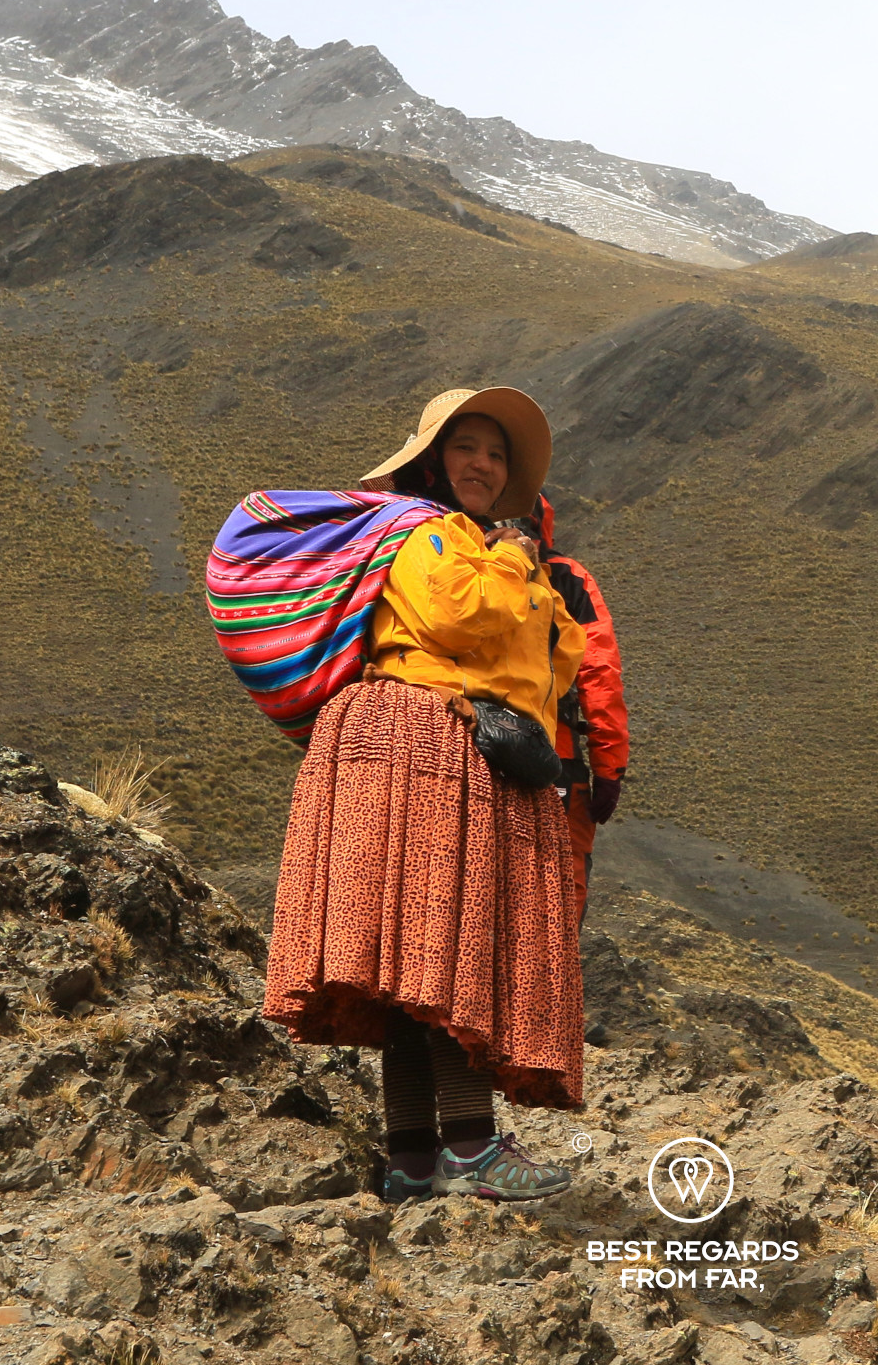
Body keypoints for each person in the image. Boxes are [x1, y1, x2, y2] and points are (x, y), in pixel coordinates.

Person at [263, 387, 587, 1203]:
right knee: (449, 957)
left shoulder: (474, 544)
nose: (483, 464)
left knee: (417, 967)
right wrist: (515, 560)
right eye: (466, 446)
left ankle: (413, 1158)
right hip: (425, 742)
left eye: (496, 453)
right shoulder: (426, 534)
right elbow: (458, 614)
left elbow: (547, 662)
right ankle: (473, 1152)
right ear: (432, 459)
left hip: (445, 744)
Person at [505, 493, 629, 923]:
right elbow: (599, 674)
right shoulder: (568, 578)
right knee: (557, 897)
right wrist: (610, 768)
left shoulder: (452, 559)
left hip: (464, 744)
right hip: (553, 754)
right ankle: (548, 987)